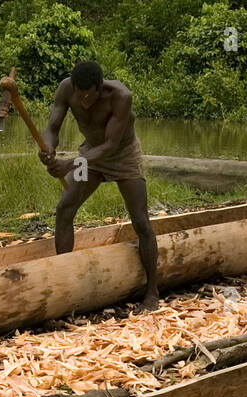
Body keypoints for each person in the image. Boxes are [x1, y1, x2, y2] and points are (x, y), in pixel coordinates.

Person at [39, 60, 159, 311]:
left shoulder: (120, 96)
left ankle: (152, 293)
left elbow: (111, 146)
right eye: (79, 96)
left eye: (88, 97)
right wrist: (49, 148)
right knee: (65, 208)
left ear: (100, 88)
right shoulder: (65, 89)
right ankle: (65, 278)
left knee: (140, 221)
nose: (83, 101)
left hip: (122, 156)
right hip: (90, 157)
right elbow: (52, 128)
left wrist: (70, 164)